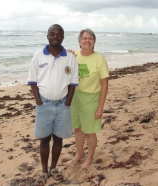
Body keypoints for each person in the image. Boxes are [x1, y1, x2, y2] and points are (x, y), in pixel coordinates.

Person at [27, 24, 79, 185]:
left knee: (58, 139)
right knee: (44, 139)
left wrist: (68, 102)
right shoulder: (38, 55)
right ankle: (43, 171)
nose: (55, 37)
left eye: (59, 34)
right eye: (52, 34)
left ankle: (54, 168)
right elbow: (33, 81)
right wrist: (39, 101)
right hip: (44, 105)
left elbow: (73, 82)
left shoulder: (70, 57)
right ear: (47, 36)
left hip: (63, 105)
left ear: (63, 37)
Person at [67, 28, 109, 169]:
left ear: (94, 42)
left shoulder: (99, 59)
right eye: (84, 38)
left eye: (90, 38)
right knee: (77, 129)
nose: (87, 40)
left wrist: (100, 107)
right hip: (74, 97)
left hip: (91, 98)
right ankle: (78, 155)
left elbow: (104, 84)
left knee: (90, 131)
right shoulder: (73, 55)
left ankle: (89, 158)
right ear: (79, 42)